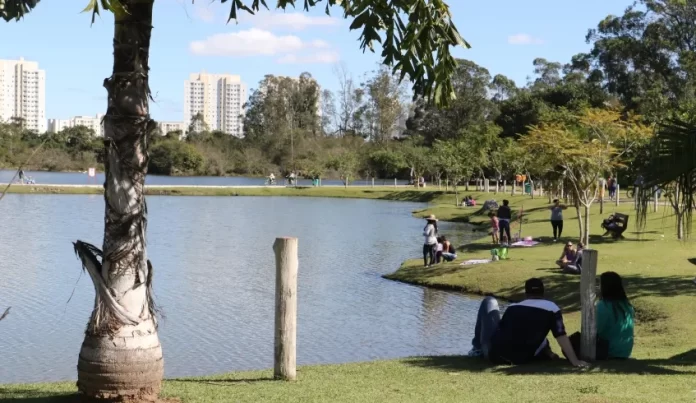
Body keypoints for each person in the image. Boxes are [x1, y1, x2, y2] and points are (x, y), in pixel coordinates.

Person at [468, 278, 588, 367]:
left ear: (526, 294)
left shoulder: (513, 307)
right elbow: (560, 335)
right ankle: (478, 349)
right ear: (543, 293)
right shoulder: (552, 308)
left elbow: (502, 331)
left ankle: (477, 348)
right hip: (521, 359)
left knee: (489, 301)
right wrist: (575, 361)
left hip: (494, 355)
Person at [568, 272, 634, 360]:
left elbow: (595, 331)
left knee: (572, 341)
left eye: (600, 284)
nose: (598, 287)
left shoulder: (603, 306)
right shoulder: (627, 305)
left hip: (609, 351)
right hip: (625, 351)